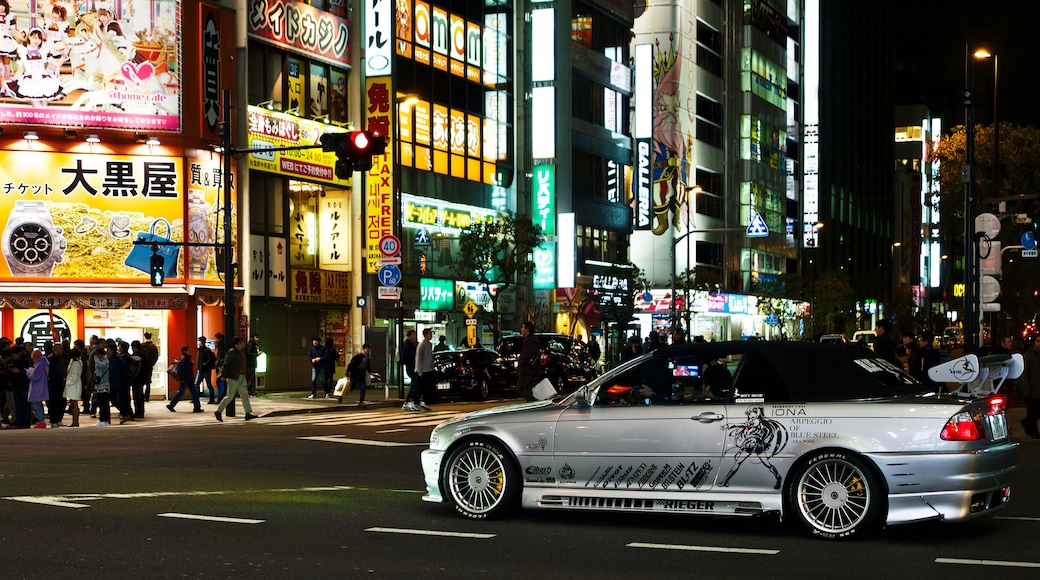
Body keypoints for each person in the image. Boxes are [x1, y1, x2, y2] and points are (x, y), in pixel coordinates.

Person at [214, 337, 258, 422]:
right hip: (233, 377)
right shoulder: (231, 353)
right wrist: (223, 376)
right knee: (230, 396)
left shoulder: (240, 352)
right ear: (236, 344)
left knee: (244, 395)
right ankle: (218, 411)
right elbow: (226, 364)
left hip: (240, 376)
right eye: (241, 343)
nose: (242, 345)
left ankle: (248, 413)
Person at [404, 328, 434, 412]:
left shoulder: (429, 344)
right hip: (421, 370)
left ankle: (419, 402)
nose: (431, 335)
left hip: (428, 369)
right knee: (417, 386)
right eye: (430, 334)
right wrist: (419, 370)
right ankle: (411, 402)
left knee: (425, 387)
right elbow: (418, 358)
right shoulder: (421, 345)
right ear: (425, 335)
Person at [166, 346, 202, 413]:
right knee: (192, 393)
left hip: (187, 379)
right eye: (188, 350)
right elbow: (182, 370)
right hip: (187, 379)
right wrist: (182, 378)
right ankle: (196, 407)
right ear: (184, 351)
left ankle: (171, 405)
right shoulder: (185, 359)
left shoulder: (185, 358)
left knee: (184, 393)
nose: (189, 351)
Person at [1018, 336, 1040, 439]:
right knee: (1032, 411)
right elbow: (1025, 374)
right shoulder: (1028, 356)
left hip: (1037, 389)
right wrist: (1026, 391)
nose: (1039, 343)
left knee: (1034, 413)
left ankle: (1028, 424)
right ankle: (1033, 431)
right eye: (1038, 341)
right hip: (1032, 390)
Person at [515, 321, 542, 402]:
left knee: (520, 388)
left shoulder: (529, 342)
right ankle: (531, 403)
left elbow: (527, 355)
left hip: (527, 369)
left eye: (523, 328)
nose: (521, 329)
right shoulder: (533, 340)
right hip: (532, 369)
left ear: (527, 329)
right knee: (528, 389)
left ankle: (534, 402)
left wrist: (521, 364)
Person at [26, 349, 49, 428]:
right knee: (39, 405)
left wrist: (29, 372)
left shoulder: (39, 365)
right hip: (41, 387)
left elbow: (35, 377)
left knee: (37, 406)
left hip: (37, 388)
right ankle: (41, 421)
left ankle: (41, 421)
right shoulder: (44, 364)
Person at [46, 342, 66, 427]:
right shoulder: (50, 359)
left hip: (61, 384)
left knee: (62, 402)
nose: (62, 350)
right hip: (53, 385)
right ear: (56, 348)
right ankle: (53, 420)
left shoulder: (61, 358)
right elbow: (48, 372)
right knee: (53, 403)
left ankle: (59, 419)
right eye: (61, 348)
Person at [346, 343, 372, 408]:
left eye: (369, 349)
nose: (368, 351)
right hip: (355, 374)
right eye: (367, 349)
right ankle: (342, 395)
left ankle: (361, 402)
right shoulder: (358, 357)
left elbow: (367, 366)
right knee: (351, 387)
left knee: (363, 387)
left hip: (361, 374)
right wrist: (347, 373)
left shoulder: (368, 357)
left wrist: (370, 371)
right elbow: (351, 365)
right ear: (363, 349)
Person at [92, 347, 111, 427]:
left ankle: (104, 419)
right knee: (101, 402)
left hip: (105, 384)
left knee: (104, 403)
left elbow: (102, 366)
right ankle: (102, 419)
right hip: (99, 385)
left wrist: (96, 360)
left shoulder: (105, 361)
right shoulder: (100, 361)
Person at [63, 348, 83, 427]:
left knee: (74, 404)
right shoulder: (78, 362)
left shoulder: (75, 363)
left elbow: (73, 376)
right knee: (74, 403)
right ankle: (75, 421)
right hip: (75, 384)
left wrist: (67, 383)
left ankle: (75, 421)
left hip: (73, 385)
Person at [195, 336, 217, 404]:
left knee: (209, 385)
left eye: (200, 341)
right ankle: (196, 398)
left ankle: (212, 399)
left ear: (203, 342)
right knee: (196, 384)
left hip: (206, 370)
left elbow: (210, 359)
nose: (199, 342)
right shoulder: (199, 350)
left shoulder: (207, 350)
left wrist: (204, 364)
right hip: (201, 370)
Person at [141, 331, 159, 402]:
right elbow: (156, 357)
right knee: (148, 382)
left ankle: (141, 395)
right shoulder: (154, 347)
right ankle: (147, 396)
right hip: (149, 367)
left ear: (144, 337)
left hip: (142, 367)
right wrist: (152, 364)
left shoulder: (142, 346)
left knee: (141, 382)